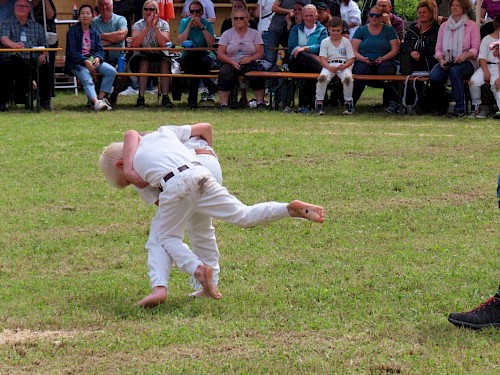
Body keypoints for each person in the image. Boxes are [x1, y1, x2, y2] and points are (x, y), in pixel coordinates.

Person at [99, 123, 325, 299]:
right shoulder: (164, 132)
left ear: (121, 166)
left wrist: (131, 173)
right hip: (201, 172)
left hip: (174, 185)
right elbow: (202, 128)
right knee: (243, 215)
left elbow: (168, 206)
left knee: (167, 237)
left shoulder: (136, 170)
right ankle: (288, 208)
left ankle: (196, 268)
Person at [132, 124, 224, 306]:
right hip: (209, 165)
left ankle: (159, 286)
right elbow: (207, 128)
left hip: (185, 172)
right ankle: (211, 283)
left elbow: (165, 205)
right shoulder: (168, 133)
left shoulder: (139, 161)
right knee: (202, 227)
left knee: (160, 234)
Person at [430, 0, 480, 118]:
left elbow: (475, 49)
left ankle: (459, 108)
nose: (455, 7)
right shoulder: (443, 26)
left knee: (455, 71)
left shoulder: (472, 26)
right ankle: (441, 105)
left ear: (464, 8)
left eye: (458, 5)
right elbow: (438, 49)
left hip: (467, 61)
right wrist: (441, 59)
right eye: (453, 5)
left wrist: (464, 56)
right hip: (447, 60)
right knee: (434, 76)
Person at [0, 0, 52, 111]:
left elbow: (44, 45)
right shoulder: (6, 23)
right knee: (4, 66)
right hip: (13, 58)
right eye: (19, 6)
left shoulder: (37, 27)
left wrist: (43, 55)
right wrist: (13, 45)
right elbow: (4, 39)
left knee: (46, 68)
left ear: (29, 10)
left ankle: (44, 102)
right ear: (14, 9)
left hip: (32, 60)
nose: (21, 8)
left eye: (24, 6)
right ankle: (2, 102)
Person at [65, 4, 116, 111]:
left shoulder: (95, 32)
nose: (85, 16)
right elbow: (72, 52)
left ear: (92, 16)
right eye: (82, 13)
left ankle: (100, 100)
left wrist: (98, 58)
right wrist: (85, 61)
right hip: (76, 63)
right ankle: (95, 102)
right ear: (78, 16)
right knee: (87, 77)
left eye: (88, 13)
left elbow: (99, 50)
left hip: (92, 60)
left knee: (111, 71)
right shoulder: (72, 31)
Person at [351, 5, 400, 112]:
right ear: (368, 16)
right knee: (360, 71)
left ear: (382, 17)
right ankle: (351, 103)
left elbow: (395, 49)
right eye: (371, 15)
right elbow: (353, 51)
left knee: (388, 71)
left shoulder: (389, 30)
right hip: (364, 61)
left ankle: (392, 103)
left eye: (377, 15)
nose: (374, 18)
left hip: (385, 61)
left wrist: (383, 58)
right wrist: (363, 59)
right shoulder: (361, 30)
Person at [216, 8, 267, 110]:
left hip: (250, 61)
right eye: (236, 18)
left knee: (256, 72)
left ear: (247, 19)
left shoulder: (255, 33)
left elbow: (260, 52)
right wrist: (232, 61)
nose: (238, 20)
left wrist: (249, 59)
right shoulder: (227, 34)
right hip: (231, 61)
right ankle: (224, 104)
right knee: (225, 72)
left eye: (241, 18)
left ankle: (260, 103)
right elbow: (220, 53)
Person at [129, 0, 173, 108]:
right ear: (143, 11)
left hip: (160, 53)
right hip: (142, 53)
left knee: (165, 63)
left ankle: (165, 97)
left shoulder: (164, 24)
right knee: (144, 63)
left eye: (151, 9)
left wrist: (155, 28)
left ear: (156, 11)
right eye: (146, 9)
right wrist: (147, 28)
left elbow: (163, 44)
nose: (148, 12)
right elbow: (134, 43)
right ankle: (141, 97)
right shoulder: (138, 24)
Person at [399, 0, 440, 113]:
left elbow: (434, 48)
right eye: (420, 12)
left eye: (424, 12)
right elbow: (404, 46)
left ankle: (422, 102)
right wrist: (412, 51)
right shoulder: (412, 29)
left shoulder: (436, 29)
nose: (422, 14)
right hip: (411, 61)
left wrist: (420, 54)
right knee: (405, 56)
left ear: (431, 14)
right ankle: (407, 97)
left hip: (428, 61)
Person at [177, 0, 218, 109]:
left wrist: (202, 27)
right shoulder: (184, 22)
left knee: (198, 65)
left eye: (197, 11)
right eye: (192, 11)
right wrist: (189, 25)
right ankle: (209, 84)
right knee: (194, 63)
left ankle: (192, 100)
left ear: (202, 12)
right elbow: (180, 41)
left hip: (204, 56)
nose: (194, 14)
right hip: (188, 56)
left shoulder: (207, 23)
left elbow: (211, 43)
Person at [288, 4, 328, 113]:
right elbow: (292, 47)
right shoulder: (296, 29)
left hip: (310, 65)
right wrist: (310, 54)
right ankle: (322, 71)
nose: (309, 18)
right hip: (297, 61)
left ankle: (305, 105)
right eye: (306, 16)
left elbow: (322, 46)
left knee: (307, 73)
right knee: (300, 55)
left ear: (316, 16)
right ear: (302, 16)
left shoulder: (322, 30)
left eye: (311, 15)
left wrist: (306, 48)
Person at [315, 16, 354, 115]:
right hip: (329, 65)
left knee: (348, 79)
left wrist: (345, 66)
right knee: (322, 78)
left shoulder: (346, 42)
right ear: (328, 29)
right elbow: (322, 59)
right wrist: (329, 67)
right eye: (333, 30)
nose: (335, 33)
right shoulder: (325, 42)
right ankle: (319, 102)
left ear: (342, 30)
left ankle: (348, 103)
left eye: (338, 30)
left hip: (343, 65)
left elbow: (351, 58)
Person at [93, 0, 128, 107]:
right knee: (91, 69)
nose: (104, 8)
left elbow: (122, 35)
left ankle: (114, 95)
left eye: (106, 5)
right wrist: (114, 39)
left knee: (123, 73)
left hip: (119, 58)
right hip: (99, 58)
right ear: (97, 7)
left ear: (112, 6)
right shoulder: (94, 22)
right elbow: (93, 41)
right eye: (101, 5)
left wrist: (101, 35)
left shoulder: (120, 19)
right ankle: (97, 99)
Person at [468, 16, 500, 119]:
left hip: (498, 67)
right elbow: (482, 57)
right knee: (473, 81)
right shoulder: (487, 39)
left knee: (497, 84)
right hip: (487, 65)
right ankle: (476, 106)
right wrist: (485, 71)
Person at [267, 0, 311, 64]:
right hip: (276, 27)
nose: (297, 11)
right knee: (270, 57)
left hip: (293, 27)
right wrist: (290, 11)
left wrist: (298, 23)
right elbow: (274, 8)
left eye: (299, 9)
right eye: (295, 9)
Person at [30, 0, 57, 104]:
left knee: (47, 65)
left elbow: (51, 16)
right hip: (30, 38)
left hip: (46, 38)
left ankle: (46, 97)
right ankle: (32, 89)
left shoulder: (47, 2)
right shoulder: (26, 3)